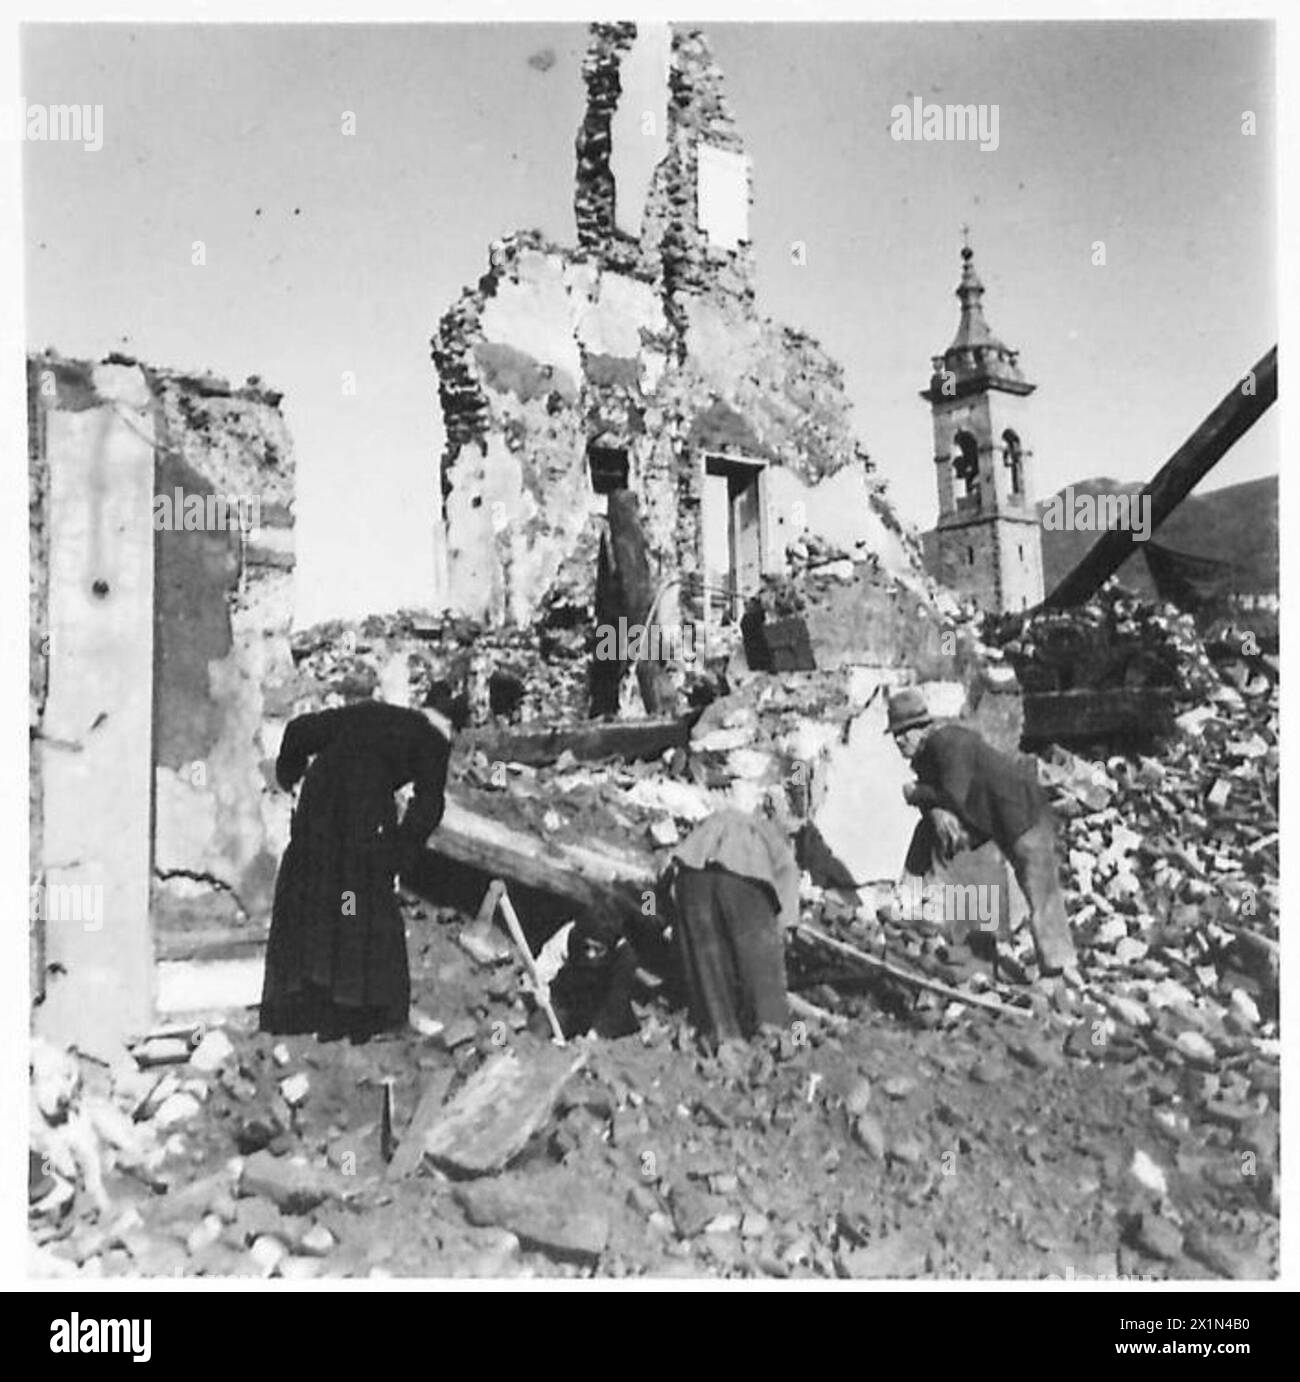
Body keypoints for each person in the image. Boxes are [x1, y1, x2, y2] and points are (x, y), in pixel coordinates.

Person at [259, 682, 464, 1040]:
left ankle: (303, 996)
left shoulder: (374, 711)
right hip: (360, 813)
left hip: (318, 807)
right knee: (357, 901)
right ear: (452, 724)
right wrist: (398, 854)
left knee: (317, 897)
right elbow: (429, 804)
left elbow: (299, 730)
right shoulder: (436, 740)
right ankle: (363, 1009)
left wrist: (288, 774)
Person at [887, 687, 1079, 980]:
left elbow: (953, 795)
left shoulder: (947, 743)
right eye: (895, 735)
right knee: (937, 833)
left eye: (906, 733)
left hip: (1023, 815)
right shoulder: (927, 756)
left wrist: (917, 794)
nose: (900, 741)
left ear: (924, 728)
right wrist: (932, 807)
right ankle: (918, 909)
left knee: (1040, 890)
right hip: (998, 823)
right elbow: (940, 804)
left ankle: (1058, 973)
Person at [660, 800, 799, 1047]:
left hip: (692, 880)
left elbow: (666, 869)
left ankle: (722, 1034)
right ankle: (775, 1033)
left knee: (708, 961)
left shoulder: (714, 820)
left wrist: (665, 915)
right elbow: (788, 874)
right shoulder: (769, 833)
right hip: (747, 884)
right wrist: (785, 928)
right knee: (760, 964)